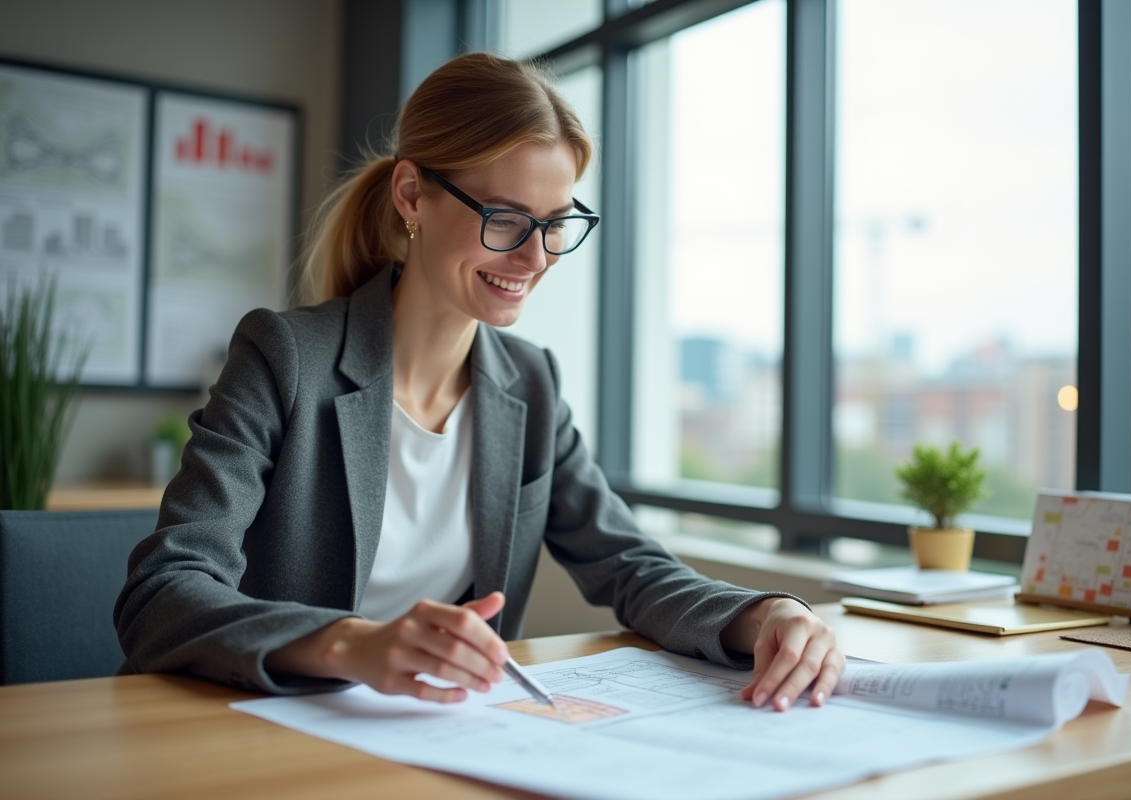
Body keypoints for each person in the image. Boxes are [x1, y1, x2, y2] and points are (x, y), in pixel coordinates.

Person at [115, 52, 844, 712]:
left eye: (556, 224)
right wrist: (350, 643)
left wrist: (765, 614)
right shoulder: (286, 357)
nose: (534, 257)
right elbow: (162, 594)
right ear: (411, 195)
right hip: (268, 732)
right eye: (504, 219)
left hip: (443, 737)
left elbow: (628, 566)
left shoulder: (530, 383)